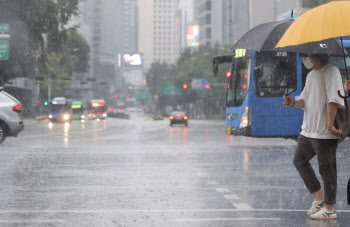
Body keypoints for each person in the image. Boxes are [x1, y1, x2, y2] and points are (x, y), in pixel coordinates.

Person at [283, 53, 345, 220]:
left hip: (324, 131)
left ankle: (329, 208)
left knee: (327, 168)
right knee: (299, 160)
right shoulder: (311, 75)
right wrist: (293, 102)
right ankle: (319, 197)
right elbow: (305, 100)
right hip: (308, 129)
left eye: (306, 55)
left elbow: (333, 99)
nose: (304, 58)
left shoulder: (331, 71)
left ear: (316, 55)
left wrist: (330, 124)